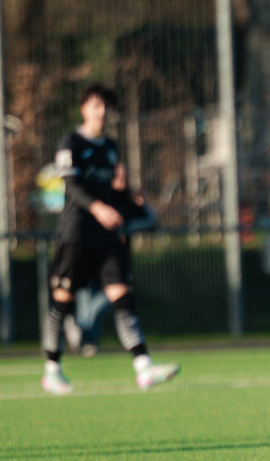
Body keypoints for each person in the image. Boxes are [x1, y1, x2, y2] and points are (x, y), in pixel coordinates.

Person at [41, 83, 179, 394]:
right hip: (75, 233)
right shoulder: (71, 143)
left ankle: (143, 367)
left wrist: (129, 197)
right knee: (62, 301)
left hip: (105, 236)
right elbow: (72, 186)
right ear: (83, 109)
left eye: (105, 106)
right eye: (95, 105)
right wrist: (98, 207)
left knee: (122, 296)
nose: (101, 112)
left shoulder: (110, 147)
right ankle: (52, 370)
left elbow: (110, 189)